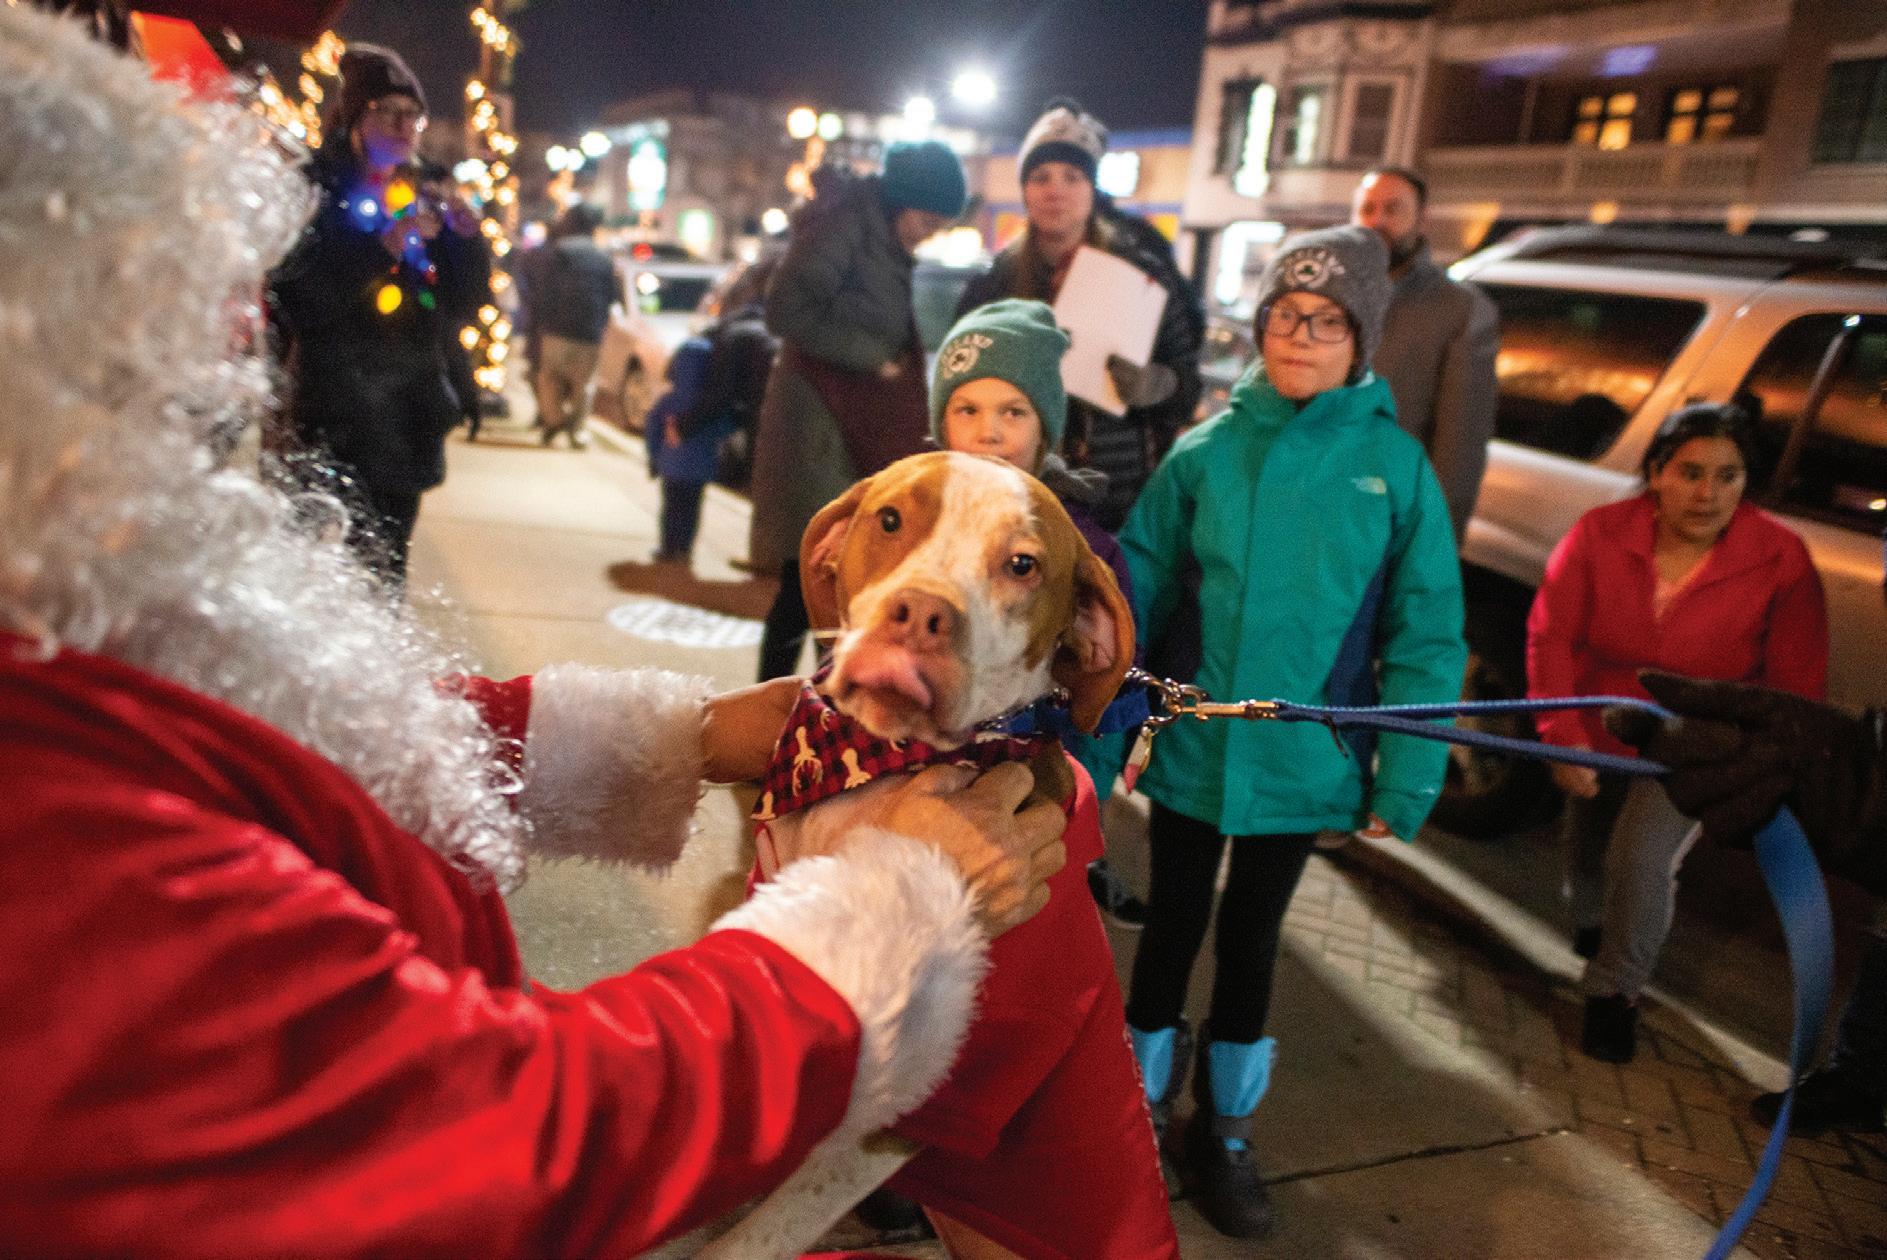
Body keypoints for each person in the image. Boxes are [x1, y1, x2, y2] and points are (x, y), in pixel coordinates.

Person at [0, 12, 1068, 1253]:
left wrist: (686, 737)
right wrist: (897, 897)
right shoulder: (46, 856)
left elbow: (274, 733)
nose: (235, 350)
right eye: (143, 348)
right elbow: (511, 1137)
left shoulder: (59, 591)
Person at [1118, 226, 1466, 1238]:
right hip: (1195, 747)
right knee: (1171, 924)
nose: (1299, 337)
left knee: (1253, 937)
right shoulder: (1204, 452)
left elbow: (1425, 631)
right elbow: (1136, 595)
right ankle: (1136, 1109)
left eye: (1324, 322)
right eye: (1283, 316)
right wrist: (1103, 724)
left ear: (1361, 341)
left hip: (1304, 759)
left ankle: (1223, 1131)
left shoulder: (1394, 469)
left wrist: (1406, 776)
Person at [1526, 401, 1827, 1064]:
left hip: (1696, 745)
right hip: (1598, 724)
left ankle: (1614, 991)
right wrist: (1561, 735)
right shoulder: (1600, 532)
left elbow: (1795, 688)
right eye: (1690, 472)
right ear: (1657, 472)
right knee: (1586, 848)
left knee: (1640, 861)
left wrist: (1758, 766)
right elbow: (1551, 634)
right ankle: (1595, 928)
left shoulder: (1781, 559)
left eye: (1727, 476)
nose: (1707, 493)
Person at [927, 299, 1152, 928]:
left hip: (1034, 782)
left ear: (1046, 428)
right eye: (967, 409)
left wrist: (1082, 794)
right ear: (941, 423)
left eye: (1013, 411)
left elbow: (1110, 686)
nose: (989, 432)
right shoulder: (911, 530)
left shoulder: (1083, 549)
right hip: (919, 777)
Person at [269, 44, 491, 590]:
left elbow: (463, 302)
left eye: (412, 114)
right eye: (387, 111)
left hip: (405, 412)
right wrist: (381, 249)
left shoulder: (430, 189)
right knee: (300, 571)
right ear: (355, 117)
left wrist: (467, 242)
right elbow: (300, 298)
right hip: (331, 411)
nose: (403, 125)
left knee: (382, 573)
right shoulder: (318, 188)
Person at [748, 139, 967, 681]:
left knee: (832, 584)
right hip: (817, 426)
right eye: (927, 221)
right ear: (903, 201)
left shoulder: (880, 237)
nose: (929, 234)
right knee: (809, 579)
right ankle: (779, 704)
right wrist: (874, 359)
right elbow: (784, 310)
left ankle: (811, 704)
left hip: (848, 423)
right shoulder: (845, 225)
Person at [956, 99, 1203, 530]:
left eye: (1072, 176)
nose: (1055, 191)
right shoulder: (994, 283)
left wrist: (1156, 384)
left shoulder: (1143, 274)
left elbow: (1188, 381)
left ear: (1092, 190)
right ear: (1025, 191)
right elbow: (959, 379)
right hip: (1014, 489)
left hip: (1116, 498)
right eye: (1040, 177)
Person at [1349, 166, 1499, 539]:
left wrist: (1433, 548)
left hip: (1385, 525)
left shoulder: (1459, 309)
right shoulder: (1331, 296)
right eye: (1367, 208)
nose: (1377, 220)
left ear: (1422, 220)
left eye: (1393, 209)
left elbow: (1459, 452)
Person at [645, 301, 776, 564]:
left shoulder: (669, 402)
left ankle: (669, 547)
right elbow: (723, 422)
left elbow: (653, 427)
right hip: (700, 470)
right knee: (692, 509)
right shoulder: (760, 334)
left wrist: (655, 458)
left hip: (671, 469)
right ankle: (684, 549)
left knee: (671, 508)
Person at [532, 201, 624, 450]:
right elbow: (611, 295)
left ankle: (555, 420)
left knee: (550, 378)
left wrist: (541, 321)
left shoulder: (559, 253)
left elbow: (544, 290)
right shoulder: (603, 258)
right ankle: (578, 431)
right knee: (584, 384)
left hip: (557, 328)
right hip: (590, 331)